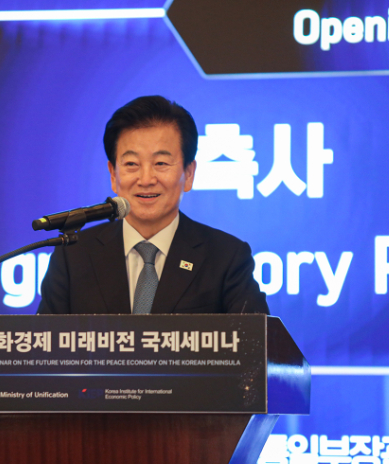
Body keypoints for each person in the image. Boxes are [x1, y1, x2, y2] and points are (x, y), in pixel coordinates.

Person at [37, 95, 268, 315]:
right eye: (131, 164)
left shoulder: (226, 258)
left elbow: (257, 339)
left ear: (189, 173)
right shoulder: (73, 257)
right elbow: (43, 340)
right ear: (113, 175)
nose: (146, 179)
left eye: (161, 163)